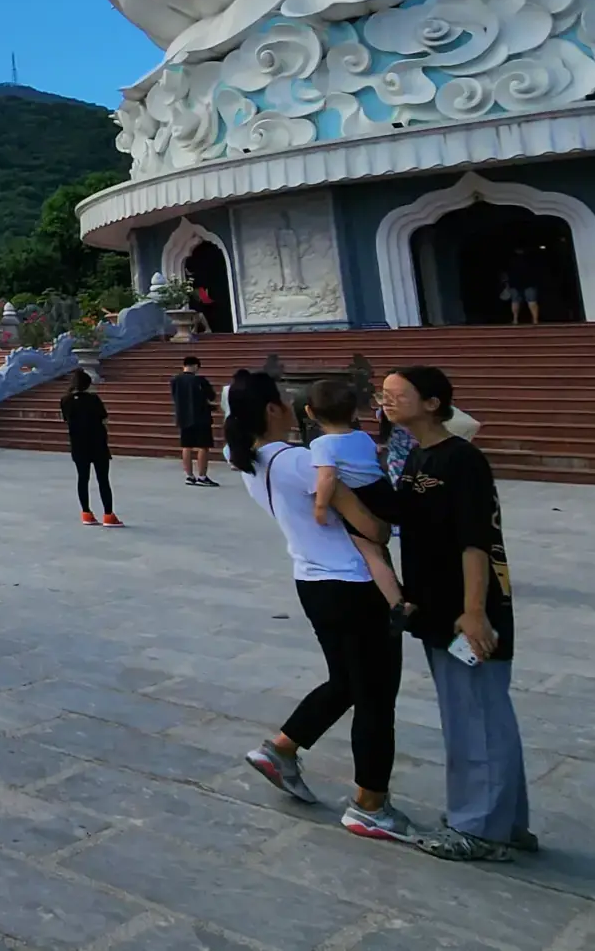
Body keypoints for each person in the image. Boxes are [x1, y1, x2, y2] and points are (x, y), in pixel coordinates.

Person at [229, 371, 416, 844]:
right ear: (274, 410)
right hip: (353, 583)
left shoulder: (250, 462)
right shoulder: (298, 462)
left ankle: (282, 750)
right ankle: (370, 804)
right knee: (375, 696)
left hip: (312, 581)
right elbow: (372, 529)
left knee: (348, 680)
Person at [382, 365, 532, 863]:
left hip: (466, 610)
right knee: (473, 714)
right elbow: (400, 519)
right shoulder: (416, 456)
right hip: (434, 605)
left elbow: (476, 541)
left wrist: (474, 611)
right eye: (384, 393)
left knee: (478, 717)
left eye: (398, 394)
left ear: (432, 402)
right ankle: (502, 820)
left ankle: (481, 830)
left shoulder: (462, 459)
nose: (387, 400)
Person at [307, 379, 407, 625]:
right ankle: (396, 585)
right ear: (353, 412)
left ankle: (397, 603)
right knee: (380, 547)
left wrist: (320, 507)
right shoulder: (362, 436)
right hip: (381, 490)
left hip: (362, 497)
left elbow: (327, 477)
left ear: (310, 412)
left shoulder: (320, 444)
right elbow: (376, 458)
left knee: (370, 552)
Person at [58, 369, 119, 527]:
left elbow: (66, 419)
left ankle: (86, 513)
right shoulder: (93, 399)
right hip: (97, 443)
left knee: (83, 478)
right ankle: (108, 515)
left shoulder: (65, 400)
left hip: (78, 444)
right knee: (103, 479)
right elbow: (104, 419)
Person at [170, 356, 218, 486]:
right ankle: (202, 476)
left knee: (186, 446)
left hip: (183, 417)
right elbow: (211, 396)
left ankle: (189, 476)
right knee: (203, 447)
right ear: (196, 366)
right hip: (201, 417)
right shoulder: (200, 380)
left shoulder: (175, 380)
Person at [501, 248, 539, 326]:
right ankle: (534, 320)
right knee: (531, 301)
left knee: (516, 301)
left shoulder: (510, 259)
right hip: (527, 282)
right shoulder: (530, 258)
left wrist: (506, 283)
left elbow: (504, 273)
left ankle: (516, 319)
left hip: (517, 282)